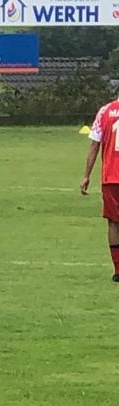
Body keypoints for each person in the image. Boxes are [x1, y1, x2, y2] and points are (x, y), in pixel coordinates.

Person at [80, 90, 119, 282]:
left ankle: (118, 270)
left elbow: (94, 145)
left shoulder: (104, 111)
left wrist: (86, 176)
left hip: (111, 177)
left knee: (114, 222)